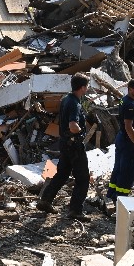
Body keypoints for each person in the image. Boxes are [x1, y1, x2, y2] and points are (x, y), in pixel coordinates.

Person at [37, 73, 91, 222]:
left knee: (62, 174)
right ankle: (75, 210)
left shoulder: (67, 98)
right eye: (86, 86)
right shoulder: (74, 103)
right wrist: (80, 131)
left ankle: (45, 200)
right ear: (82, 87)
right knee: (83, 178)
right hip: (74, 144)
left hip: (65, 144)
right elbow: (73, 126)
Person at [107, 79, 134, 203]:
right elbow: (129, 126)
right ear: (130, 89)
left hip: (121, 138)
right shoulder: (129, 104)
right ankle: (121, 198)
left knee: (118, 167)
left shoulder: (125, 99)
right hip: (127, 141)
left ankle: (111, 193)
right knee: (127, 170)